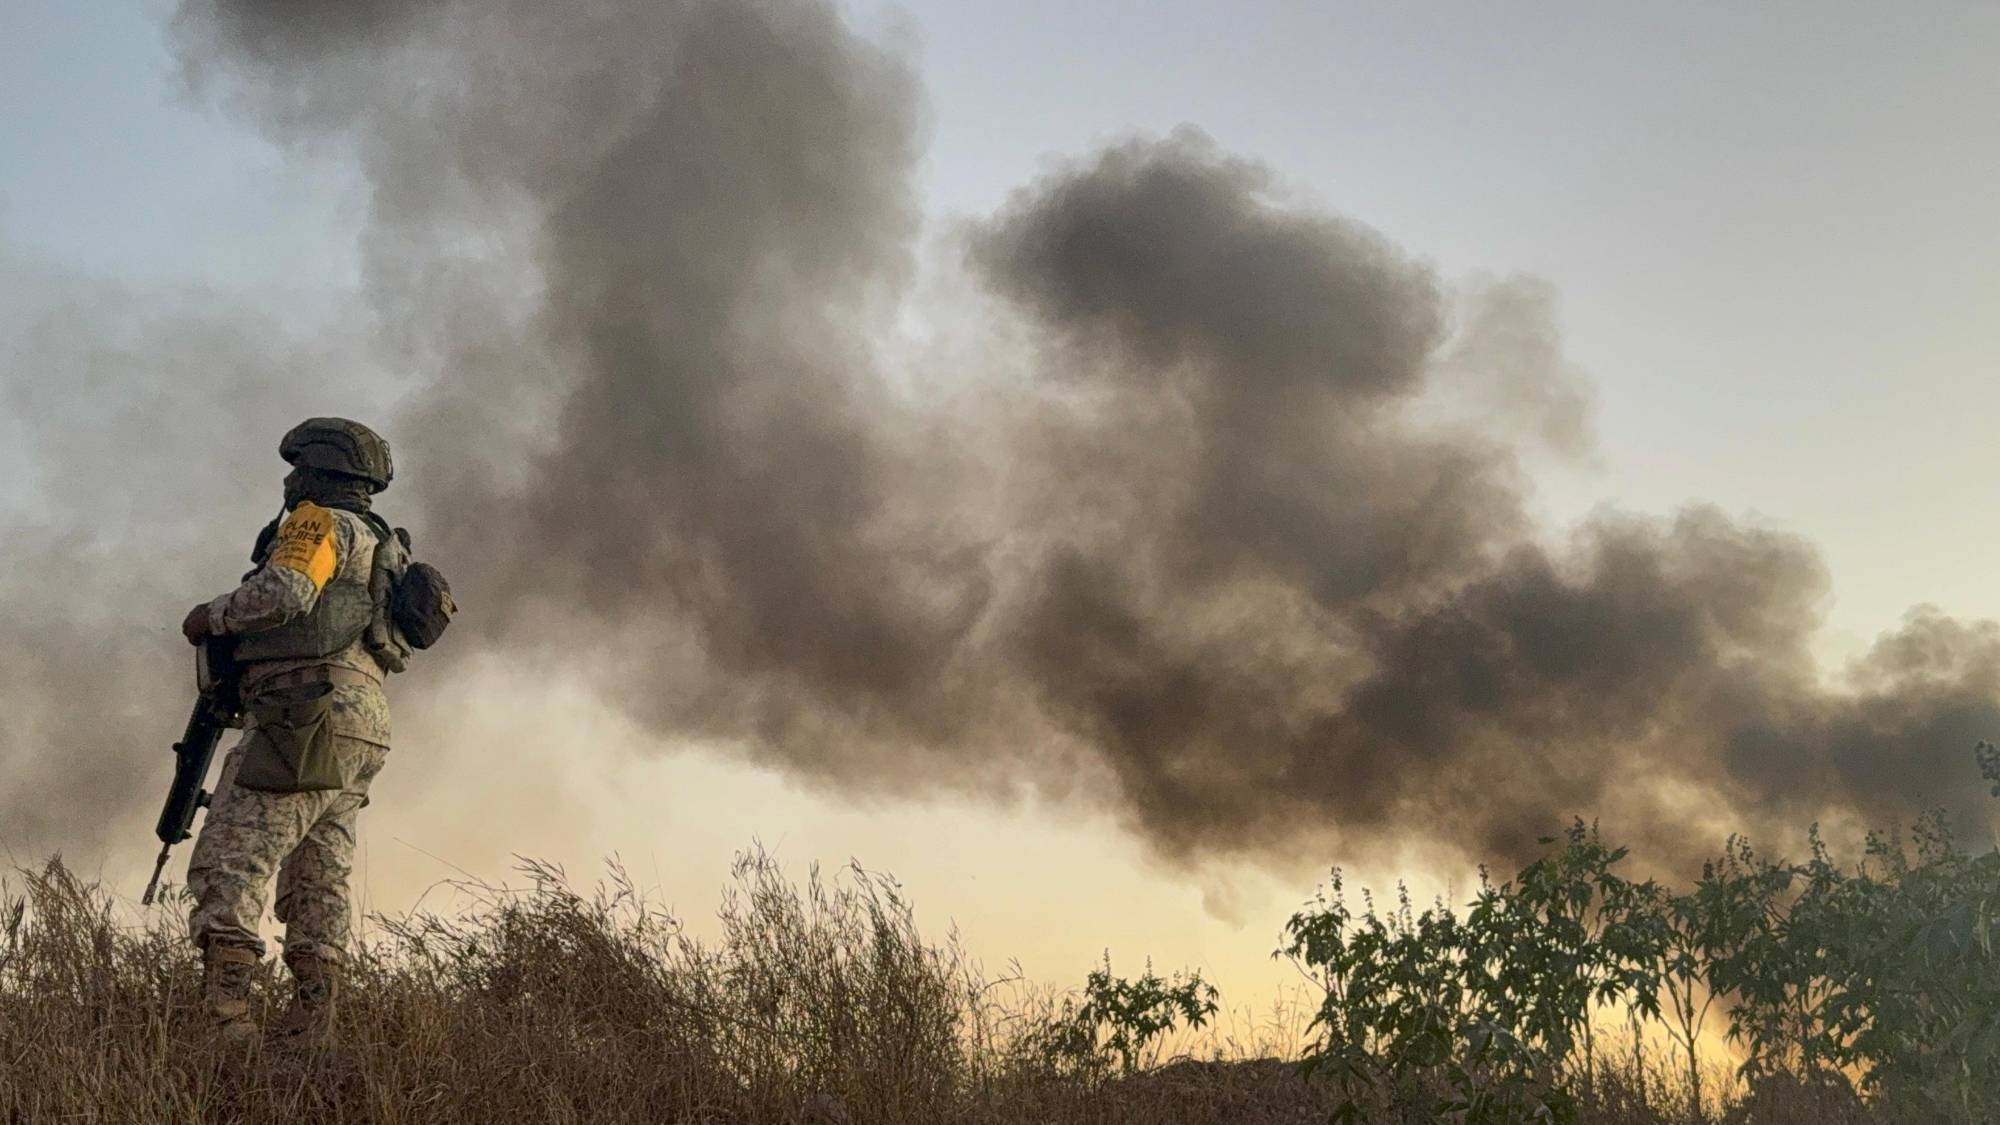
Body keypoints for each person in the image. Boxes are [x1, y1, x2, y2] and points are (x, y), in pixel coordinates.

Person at [178, 417, 411, 1042]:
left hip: (302, 713)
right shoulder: (383, 545)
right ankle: (314, 1028)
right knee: (319, 872)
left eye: (296, 468)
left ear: (317, 471)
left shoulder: (317, 523)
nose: (289, 480)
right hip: (363, 722)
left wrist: (210, 616)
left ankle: (226, 1025)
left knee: (233, 856)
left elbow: (284, 593)